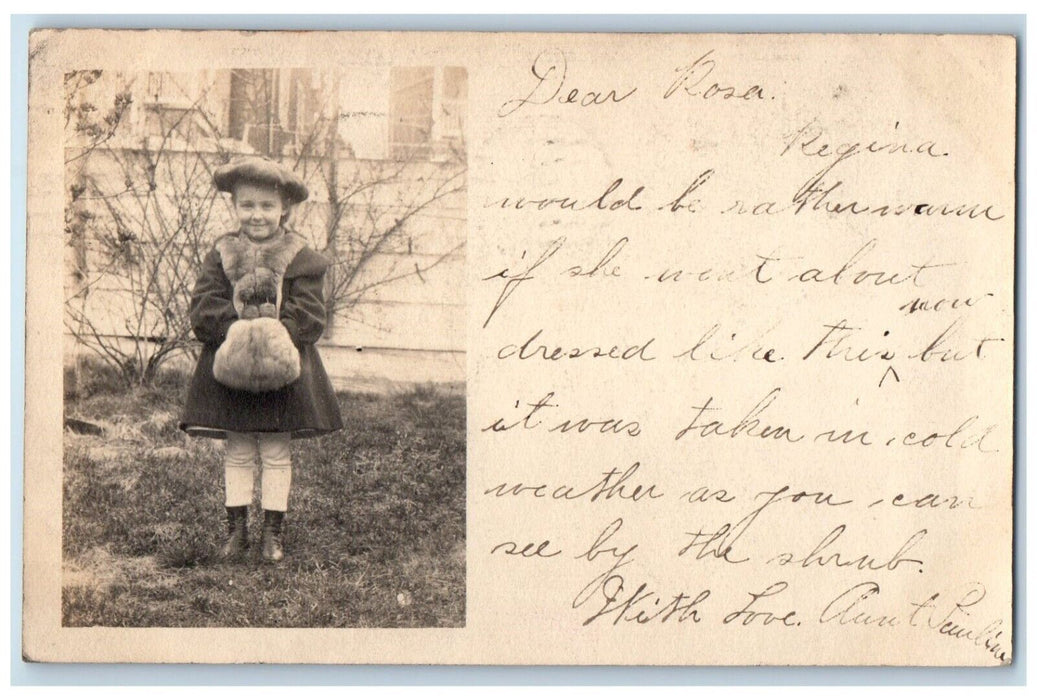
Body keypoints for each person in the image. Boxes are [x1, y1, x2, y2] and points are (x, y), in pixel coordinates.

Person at [179, 156, 343, 563]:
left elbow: (309, 314)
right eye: (247, 205)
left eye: (267, 206)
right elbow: (204, 307)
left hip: (283, 371)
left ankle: (273, 533)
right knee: (236, 451)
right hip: (231, 369)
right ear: (234, 206)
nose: (257, 215)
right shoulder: (221, 254)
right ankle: (236, 533)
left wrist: (275, 335)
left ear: (284, 208)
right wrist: (235, 329)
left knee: (274, 451)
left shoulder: (301, 257)